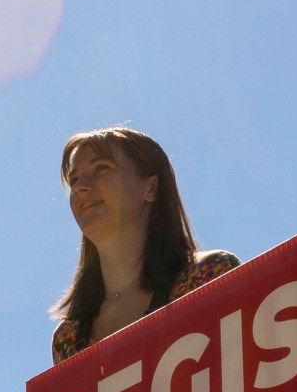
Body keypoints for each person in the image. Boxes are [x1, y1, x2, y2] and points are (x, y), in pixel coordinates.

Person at [51, 128, 240, 364]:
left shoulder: (207, 277)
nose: (81, 187)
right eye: (74, 179)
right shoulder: (68, 338)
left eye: (102, 168)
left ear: (150, 188)